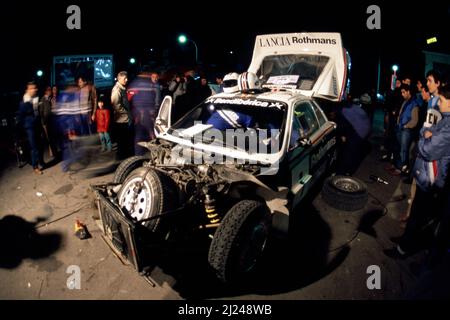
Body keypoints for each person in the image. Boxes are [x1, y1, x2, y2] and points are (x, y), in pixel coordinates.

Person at [384, 82, 450, 260]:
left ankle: (404, 249)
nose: (439, 103)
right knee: (415, 215)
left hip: (431, 180)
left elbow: (426, 149)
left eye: (442, 100)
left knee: (418, 218)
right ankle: (404, 241)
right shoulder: (443, 118)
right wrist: (426, 135)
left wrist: (424, 138)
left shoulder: (448, 126)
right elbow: (426, 133)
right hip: (426, 176)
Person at [387, 84, 420, 176]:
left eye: (403, 92)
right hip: (400, 128)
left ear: (408, 92)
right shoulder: (405, 101)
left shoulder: (414, 104)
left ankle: (402, 169)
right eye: (401, 92)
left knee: (404, 150)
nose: (402, 94)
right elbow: (401, 114)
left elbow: (415, 121)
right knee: (399, 148)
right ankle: (398, 166)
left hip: (406, 131)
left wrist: (406, 126)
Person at [335, 95, 372, 175]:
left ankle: (344, 172)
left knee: (349, 152)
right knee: (353, 151)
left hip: (359, 132)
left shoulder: (343, 111)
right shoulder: (352, 108)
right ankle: (347, 169)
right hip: (365, 130)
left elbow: (343, 125)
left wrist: (343, 135)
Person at [128, 71, 161, 156]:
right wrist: (155, 109)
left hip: (139, 113)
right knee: (152, 133)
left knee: (140, 133)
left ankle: (138, 154)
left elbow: (130, 96)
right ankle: (156, 154)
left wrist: (134, 110)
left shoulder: (135, 82)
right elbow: (157, 99)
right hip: (148, 112)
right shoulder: (153, 84)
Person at [17, 82, 44, 174]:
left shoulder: (36, 98)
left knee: (40, 144)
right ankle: (35, 167)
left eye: (35, 88)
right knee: (34, 147)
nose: (35, 89)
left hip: (37, 125)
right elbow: (20, 117)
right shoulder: (24, 102)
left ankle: (41, 161)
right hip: (29, 128)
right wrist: (24, 127)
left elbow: (37, 112)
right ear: (27, 90)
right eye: (32, 88)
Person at [111, 71, 133, 160]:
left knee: (125, 140)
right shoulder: (116, 90)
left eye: (127, 78)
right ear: (119, 79)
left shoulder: (122, 88)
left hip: (124, 119)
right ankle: (121, 159)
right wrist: (126, 113)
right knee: (122, 141)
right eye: (125, 78)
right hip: (121, 120)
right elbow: (116, 105)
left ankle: (124, 157)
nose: (127, 80)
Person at [38, 86, 58, 159]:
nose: (51, 91)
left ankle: (53, 153)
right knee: (49, 138)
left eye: (51, 90)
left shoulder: (49, 99)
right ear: (46, 91)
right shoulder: (42, 99)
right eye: (49, 90)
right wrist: (43, 123)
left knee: (51, 138)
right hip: (45, 123)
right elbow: (41, 112)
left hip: (50, 121)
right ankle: (53, 153)